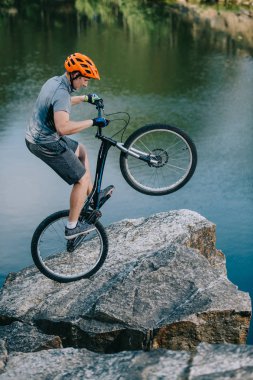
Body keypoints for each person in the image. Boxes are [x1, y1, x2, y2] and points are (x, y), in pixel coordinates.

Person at [25, 52, 114, 240]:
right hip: (45, 142)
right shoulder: (61, 92)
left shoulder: (55, 82)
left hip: (39, 136)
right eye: (84, 79)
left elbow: (60, 104)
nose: (86, 83)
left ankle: (91, 198)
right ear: (74, 74)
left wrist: (84, 98)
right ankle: (72, 227)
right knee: (81, 179)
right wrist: (93, 121)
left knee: (81, 150)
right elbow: (64, 127)